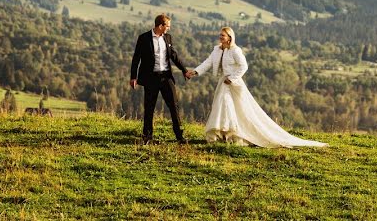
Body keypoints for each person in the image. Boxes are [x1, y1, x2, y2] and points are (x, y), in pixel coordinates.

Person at [186, 27, 326, 148]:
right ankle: (222, 134)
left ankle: (234, 135)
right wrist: (195, 71)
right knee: (222, 106)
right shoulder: (217, 50)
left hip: (233, 83)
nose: (220, 37)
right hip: (223, 82)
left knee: (235, 108)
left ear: (229, 37)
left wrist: (232, 78)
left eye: (223, 35)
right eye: (220, 35)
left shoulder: (236, 51)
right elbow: (208, 62)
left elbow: (244, 66)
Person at [130, 13, 189, 145]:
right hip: (150, 78)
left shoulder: (167, 38)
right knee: (149, 107)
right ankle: (147, 137)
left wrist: (184, 70)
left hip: (166, 77)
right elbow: (136, 58)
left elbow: (174, 56)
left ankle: (179, 136)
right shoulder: (144, 38)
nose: (169, 28)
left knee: (174, 106)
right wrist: (133, 77)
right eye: (167, 26)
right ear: (160, 26)